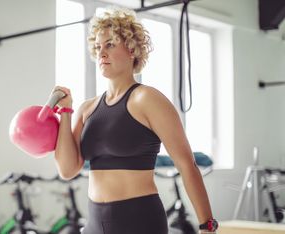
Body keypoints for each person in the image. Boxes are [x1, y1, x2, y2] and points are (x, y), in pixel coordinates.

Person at [52, 7, 217, 234]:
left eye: (110, 44)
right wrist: (66, 112)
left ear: (132, 49)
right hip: (94, 224)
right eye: (98, 47)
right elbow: (68, 170)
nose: (101, 53)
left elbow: (187, 165)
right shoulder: (85, 109)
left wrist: (207, 225)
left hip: (139, 222)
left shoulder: (147, 99)